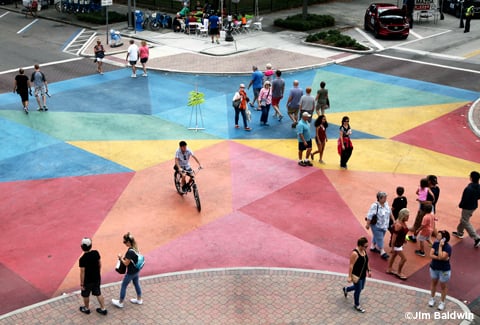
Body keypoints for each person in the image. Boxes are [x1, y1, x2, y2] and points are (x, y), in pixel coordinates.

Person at [112, 232, 143, 308]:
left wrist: (120, 257)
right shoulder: (136, 248)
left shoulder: (130, 252)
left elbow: (126, 263)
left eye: (125, 242)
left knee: (124, 285)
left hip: (131, 272)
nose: (124, 243)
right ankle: (139, 299)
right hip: (136, 270)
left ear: (128, 242)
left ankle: (120, 302)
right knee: (136, 283)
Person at [79, 237, 108, 315]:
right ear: (90, 245)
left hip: (87, 281)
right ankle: (103, 308)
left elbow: (82, 272)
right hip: (96, 278)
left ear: (82, 247)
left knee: (86, 295)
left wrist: (82, 283)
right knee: (98, 293)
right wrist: (98, 273)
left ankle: (87, 308)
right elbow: (100, 264)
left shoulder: (82, 259)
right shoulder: (96, 253)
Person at [342, 236, 371, 313]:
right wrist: (349, 276)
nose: (367, 248)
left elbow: (366, 261)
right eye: (365, 246)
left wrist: (369, 270)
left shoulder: (364, 251)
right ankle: (356, 305)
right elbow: (351, 265)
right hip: (356, 275)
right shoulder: (355, 253)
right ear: (360, 245)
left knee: (361, 288)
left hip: (363, 274)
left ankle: (346, 289)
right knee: (358, 290)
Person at [452, 171, 480, 248]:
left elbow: (465, 199)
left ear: (471, 178)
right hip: (473, 206)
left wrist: (461, 205)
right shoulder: (478, 186)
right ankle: (460, 232)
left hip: (467, 207)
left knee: (465, 221)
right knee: (464, 219)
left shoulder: (469, 188)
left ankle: (476, 238)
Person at [365, 191, 394, 260]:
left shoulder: (386, 204)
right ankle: (382, 251)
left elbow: (390, 212)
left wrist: (394, 220)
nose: (385, 199)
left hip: (384, 225)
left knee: (377, 236)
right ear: (380, 198)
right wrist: (367, 224)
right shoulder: (375, 206)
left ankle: (373, 246)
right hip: (376, 226)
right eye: (384, 198)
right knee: (380, 238)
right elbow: (370, 215)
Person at [428, 230, 452, 311]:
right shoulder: (435, 243)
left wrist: (440, 247)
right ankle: (432, 298)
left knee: (443, 286)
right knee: (433, 283)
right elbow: (431, 254)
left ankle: (442, 302)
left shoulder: (448, 247)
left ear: (444, 238)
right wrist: (439, 257)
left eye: (439, 235)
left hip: (444, 270)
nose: (437, 236)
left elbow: (442, 256)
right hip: (434, 267)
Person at [386, 208, 410, 280]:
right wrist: (392, 247)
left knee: (394, 255)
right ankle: (399, 272)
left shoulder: (402, 222)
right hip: (397, 244)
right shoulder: (398, 225)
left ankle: (389, 269)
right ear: (403, 216)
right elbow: (394, 237)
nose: (408, 217)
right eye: (407, 216)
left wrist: (404, 239)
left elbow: (402, 233)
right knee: (404, 259)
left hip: (400, 242)